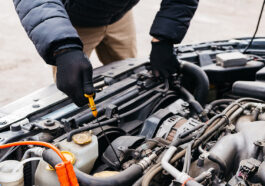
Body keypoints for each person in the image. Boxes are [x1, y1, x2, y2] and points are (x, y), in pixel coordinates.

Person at [12, 0, 198, 106]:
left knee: (132, 74)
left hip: (119, 14)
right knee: (74, 90)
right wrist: (63, 47)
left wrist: (164, 38)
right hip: (73, 23)